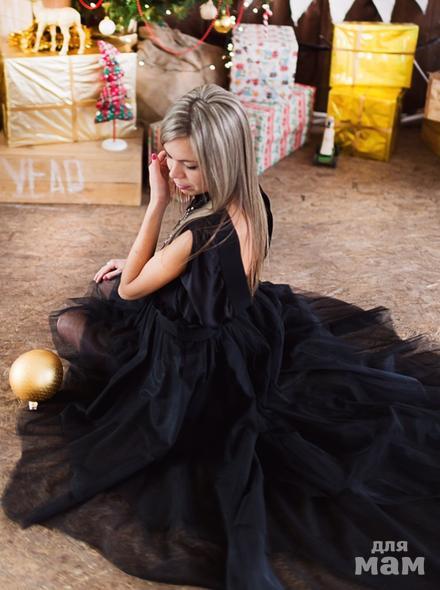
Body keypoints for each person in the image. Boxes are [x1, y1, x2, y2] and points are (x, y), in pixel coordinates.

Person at [2, 84, 440, 590]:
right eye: (170, 161)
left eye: (189, 166)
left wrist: (156, 204)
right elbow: (206, 273)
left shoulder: (198, 231)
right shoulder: (252, 199)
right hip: (244, 329)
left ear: (223, 160)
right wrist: (153, 262)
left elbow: (129, 289)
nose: (175, 174)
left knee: (80, 320)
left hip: (191, 355)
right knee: (105, 295)